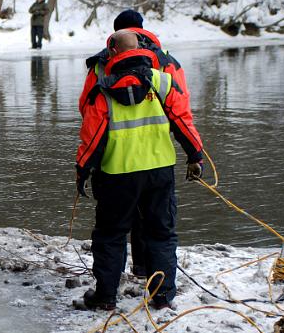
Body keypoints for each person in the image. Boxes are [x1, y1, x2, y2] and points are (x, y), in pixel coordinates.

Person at [75, 30, 204, 311]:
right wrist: (195, 156)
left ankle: (106, 297)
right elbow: (183, 121)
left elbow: (92, 136)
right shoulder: (163, 82)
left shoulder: (102, 88)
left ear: (112, 53)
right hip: (159, 171)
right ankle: (162, 297)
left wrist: (82, 170)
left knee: (110, 235)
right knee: (161, 233)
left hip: (116, 173)